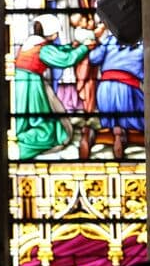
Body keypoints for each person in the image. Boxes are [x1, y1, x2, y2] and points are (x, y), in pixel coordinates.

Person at [12, 14, 102, 159]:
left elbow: (58, 51)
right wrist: (84, 48)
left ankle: (17, 140)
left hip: (20, 83)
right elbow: (66, 59)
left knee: (23, 120)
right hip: (31, 85)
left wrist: (72, 46)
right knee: (43, 124)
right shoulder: (43, 49)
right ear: (51, 32)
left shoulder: (31, 43)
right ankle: (23, 147)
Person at [87, 31, 144, 158]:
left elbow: (93, 58)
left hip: (104, 90)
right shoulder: (144, 44)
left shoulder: (109, 40)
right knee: (143, 122)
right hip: (128, 89)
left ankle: (105, 133)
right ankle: (121, 135)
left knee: (110, 120)